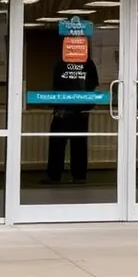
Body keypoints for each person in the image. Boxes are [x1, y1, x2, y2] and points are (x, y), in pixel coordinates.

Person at [43, 53, 99, 184]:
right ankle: (78, 176)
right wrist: (87, 105)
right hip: (78, 109)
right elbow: (92, 86)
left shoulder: (63, 64)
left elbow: (56, 86)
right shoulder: (87, 64)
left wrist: (58, 106)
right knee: (77, 143)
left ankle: (55, 175)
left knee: (59, 143)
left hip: (66, 109)